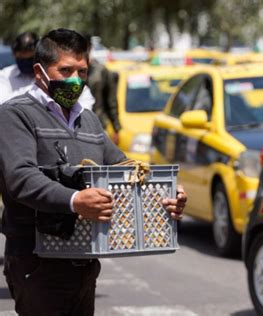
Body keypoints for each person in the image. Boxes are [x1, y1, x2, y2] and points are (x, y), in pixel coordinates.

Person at [0, 28, 187, 316]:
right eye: (65, 70)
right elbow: (21, 179)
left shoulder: (88, 121)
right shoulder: (15, 114)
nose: (75, 79)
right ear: (39, 72)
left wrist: (166, 194)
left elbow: (126, 170)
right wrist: (76, 200)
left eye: (82, 71)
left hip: (85, 264)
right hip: (37, 262)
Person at [84, 34, 121, 145]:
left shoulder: (101, 71)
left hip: (98, 127)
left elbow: (111, 102)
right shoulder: (67, 73)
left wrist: (116, 128)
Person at [0, 32, 38, 104]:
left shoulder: (47, 73)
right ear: (14, 55)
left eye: (30, 59)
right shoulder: (5, 75)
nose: (26, 63)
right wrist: (35, 89)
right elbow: (2, 102)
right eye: (22, 59)